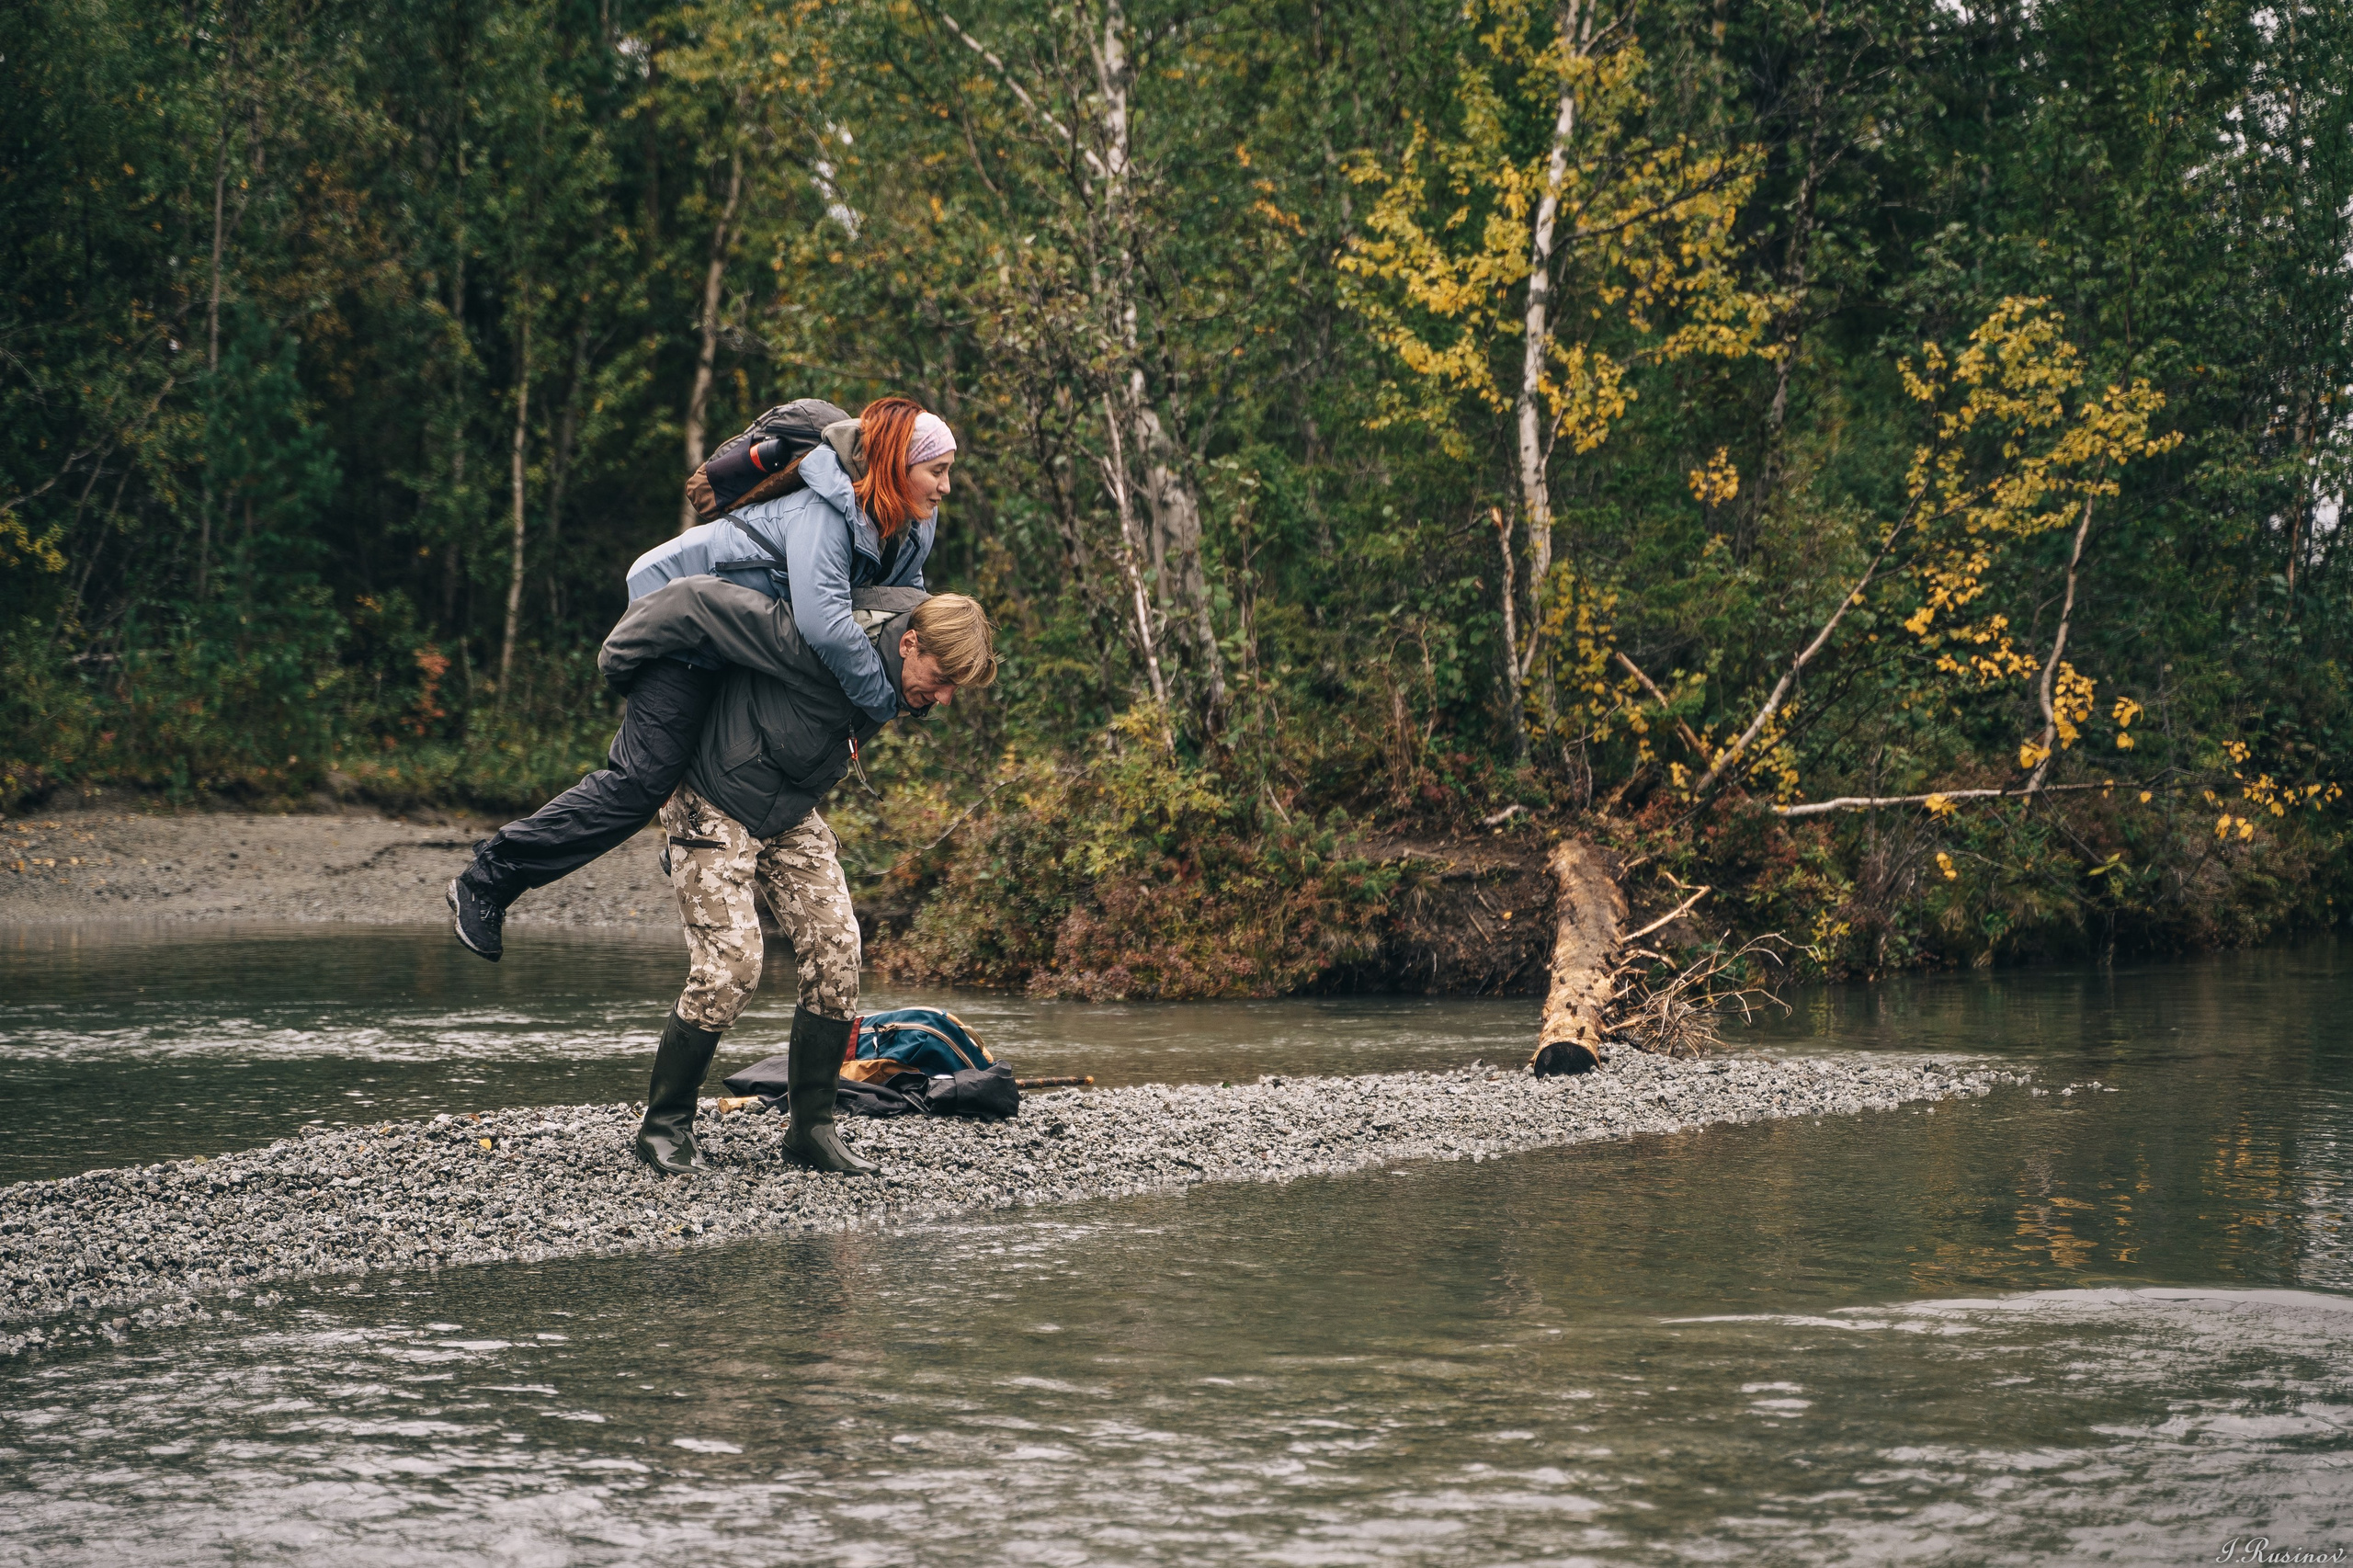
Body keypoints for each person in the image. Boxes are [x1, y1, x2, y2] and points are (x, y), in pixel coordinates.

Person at [446, 396, 960, 960]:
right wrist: (884, 698)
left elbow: (901, 602)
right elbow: (827, 625)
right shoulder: (827, 511)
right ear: (897, 464)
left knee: (760, 737)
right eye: (936, 470)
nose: (945, 487)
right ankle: (489, 880)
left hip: (745, 635)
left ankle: (690, 837)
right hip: (684, 620)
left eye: (948, 472)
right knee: (642, 782)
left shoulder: (912, 524)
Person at [597, 575, 998, 1177]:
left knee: (839, 950)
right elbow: (706, 604)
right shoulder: (823, 631)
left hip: (787, 807)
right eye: (942, 681)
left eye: (953, 690)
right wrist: (620, 657)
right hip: (711, 793)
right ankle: (664, 1126)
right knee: (731, 967)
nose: (943, 699)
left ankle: (811, 1129)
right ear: (909, 643)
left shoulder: (902, 672)